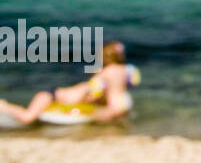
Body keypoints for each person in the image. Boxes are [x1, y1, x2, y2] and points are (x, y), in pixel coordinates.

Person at [0, 40, 138, 124]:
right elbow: (133, 81)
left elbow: (94, 94)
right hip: (50, 95)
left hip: (59, 99)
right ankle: (4, 106)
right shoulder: (110, 75)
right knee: (27, 117)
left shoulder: (101, 77)